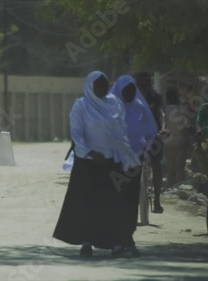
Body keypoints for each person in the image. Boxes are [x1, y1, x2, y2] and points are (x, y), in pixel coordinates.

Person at [53, 71, 141, 258]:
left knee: (112, 203)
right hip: (88, 163)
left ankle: (115, 243)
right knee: (87, 204)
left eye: (105, 84)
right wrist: (91, 153)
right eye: (98, 85)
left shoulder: (115, 103)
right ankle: (87, 241)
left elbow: (121, 132)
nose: (102, 88)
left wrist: (127, 157)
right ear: (90, 85)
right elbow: (77, 135)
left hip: (111, 162)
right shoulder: (81, 106)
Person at [111, 75, 158, 257]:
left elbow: (151, 133)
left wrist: (145, 152)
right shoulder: (112, 108)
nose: (129, 94)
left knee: (131, 201)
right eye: (126, 90)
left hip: (135, 162)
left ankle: (128, 236)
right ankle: (115, 239)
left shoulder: (140, 108)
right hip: (115, 162)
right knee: (116, 201)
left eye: (132, 90)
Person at [135, 72, 166, 213]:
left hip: (154, 134)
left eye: (147, 83)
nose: (145, 87)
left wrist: (164, 128)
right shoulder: (131, 96)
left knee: (156, 164)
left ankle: (157, 200)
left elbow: (161, 113)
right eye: (142, 84)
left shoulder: (156, 97)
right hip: (136, 135)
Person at [165, 84, 195, 187]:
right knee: (179, 168)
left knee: (170, 168)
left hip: (167, 143)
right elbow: (188, 126)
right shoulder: (182, 109)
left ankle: (169, 188)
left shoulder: (164, 110)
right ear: (177, 98)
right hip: (180, 143)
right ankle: (178, 189)